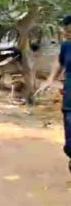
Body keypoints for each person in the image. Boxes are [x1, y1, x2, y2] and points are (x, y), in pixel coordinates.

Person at [36, 15, 71, 172]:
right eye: (66, 30)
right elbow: (59, 63)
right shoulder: (66, 46)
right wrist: (50, 80)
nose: (67, 33)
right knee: (70, 143)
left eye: (69, 30)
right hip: (70, 100)